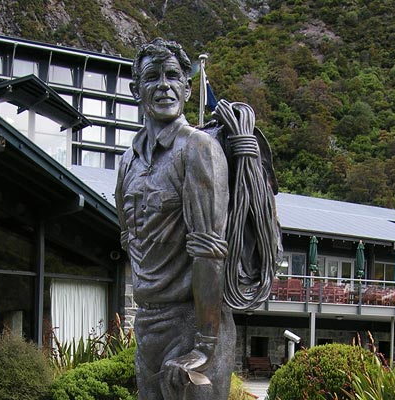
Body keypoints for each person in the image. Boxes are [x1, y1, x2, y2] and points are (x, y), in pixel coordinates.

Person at [115, 38, 235, 399]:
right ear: (137, 90)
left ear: (187, 87)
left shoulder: (197, 148)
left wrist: (205, 344)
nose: (164, 85)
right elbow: (129, 242)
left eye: (173, 76)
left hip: (193, 326)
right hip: (148, 326)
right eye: (153, 77)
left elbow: (209, 251)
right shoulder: (127, 162)